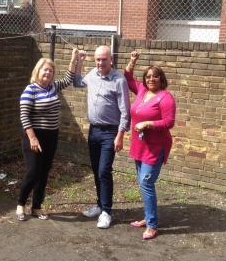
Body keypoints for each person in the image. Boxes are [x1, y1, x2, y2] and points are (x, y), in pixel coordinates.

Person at [16, 49, 78, 221]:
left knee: (44, 172)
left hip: (51, 136)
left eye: (51, 71)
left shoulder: (53, 86)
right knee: (33, 172)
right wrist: (33, 138)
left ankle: (36, 206)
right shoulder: (30, 90)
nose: (48, 73)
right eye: (45, 70)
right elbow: (24, 116)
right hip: (33, 136)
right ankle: (20, 204)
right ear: (38, 71)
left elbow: (68, 79)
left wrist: (73, 59)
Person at [73, 46, 130, 229]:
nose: (100, 63)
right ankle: (99, 204)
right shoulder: (92, 74)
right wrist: (80, 60)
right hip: (93, 131)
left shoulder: (119, 80)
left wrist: (120, 135)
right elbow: (76, 82)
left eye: (103, 60)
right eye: (97, 59)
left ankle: (106, 211)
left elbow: (125, 112)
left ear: (110, 59)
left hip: (110, 133)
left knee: (104, 171)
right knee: (97, 170)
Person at [124, 51, 176, 239]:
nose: (151, 79)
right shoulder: (142, 91)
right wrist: (133, 61)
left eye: (155, 76)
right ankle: (148, 217)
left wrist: (148, 124)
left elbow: (169, 122)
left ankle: (152, 225)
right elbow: (127, 77)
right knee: (142, 182)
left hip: (155, 146)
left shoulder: (165, 97)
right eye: (148, 76)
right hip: (140, 144)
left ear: (162, 79)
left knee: (147, 182)